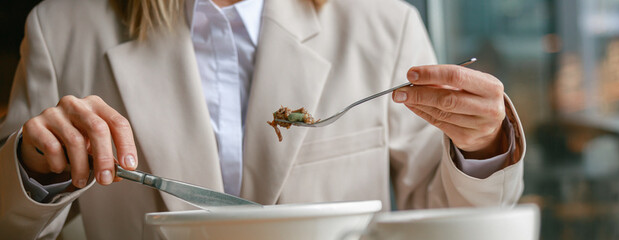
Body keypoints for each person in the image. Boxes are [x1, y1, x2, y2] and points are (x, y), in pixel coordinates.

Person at [0, 0, 526, 239]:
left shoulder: (384, 23)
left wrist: (481, 147)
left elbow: (442, 224)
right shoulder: (60, 25)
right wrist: (36, 170)